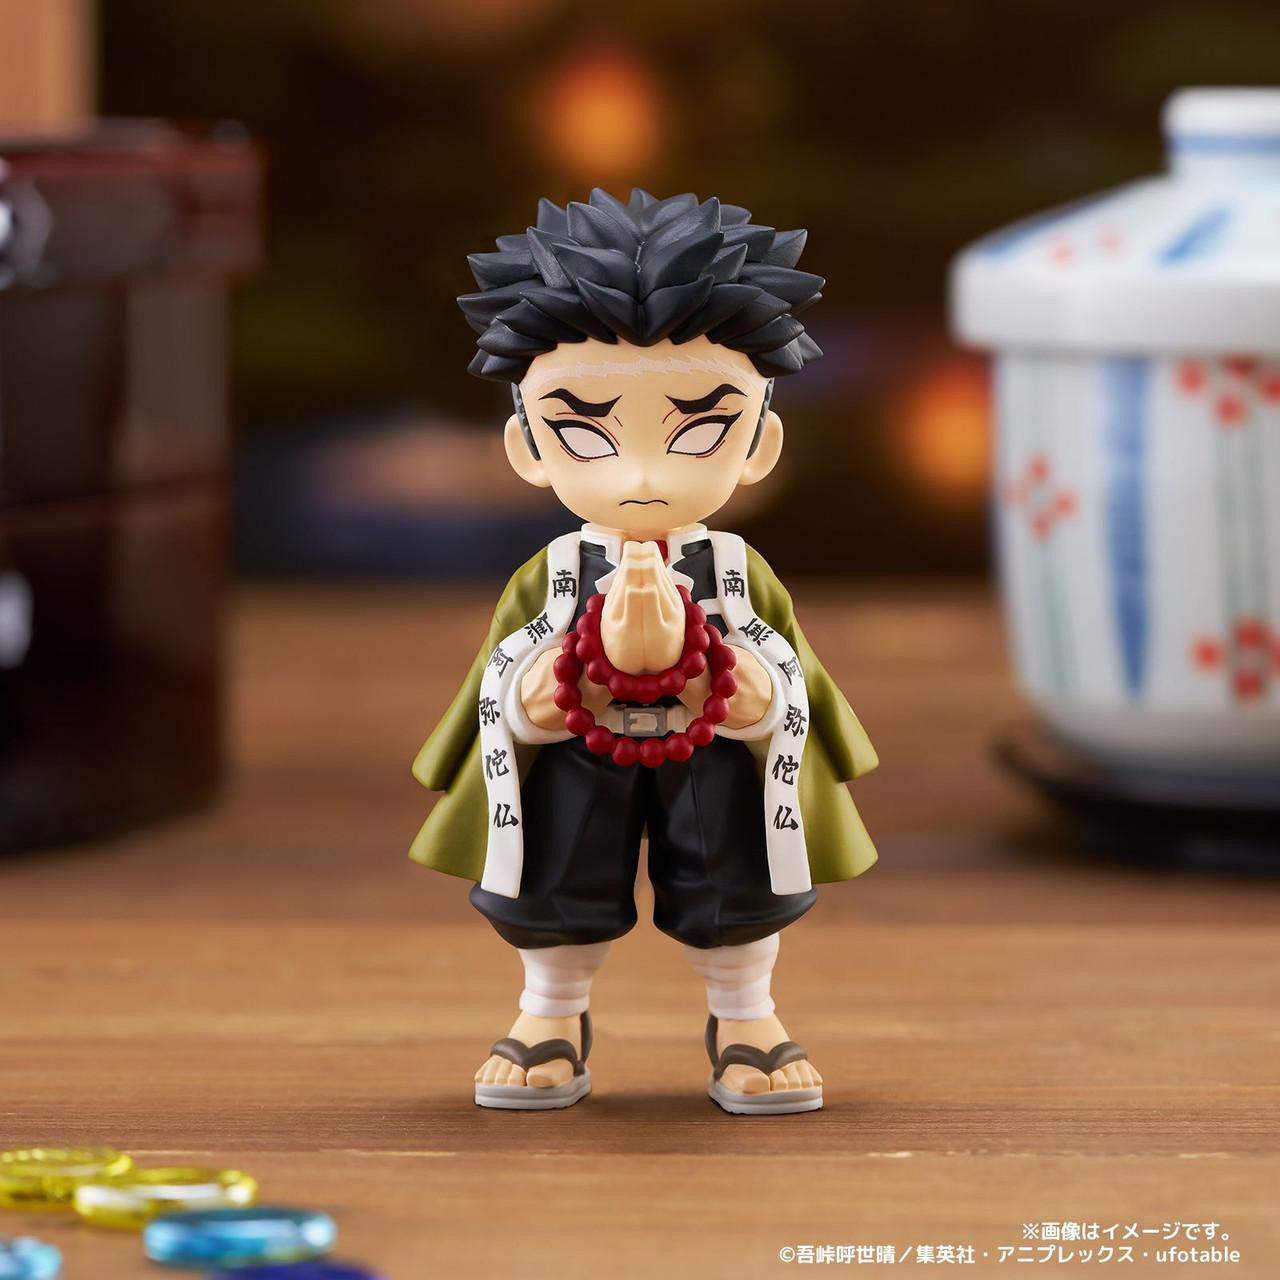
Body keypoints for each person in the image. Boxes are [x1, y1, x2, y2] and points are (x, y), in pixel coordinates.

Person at [411, 188, 878, 1114]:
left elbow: (796, 678)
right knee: (553, 865)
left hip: (711, 748)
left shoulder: (738, 574)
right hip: (580, 748)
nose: (640, 474)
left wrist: (756, 702)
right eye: (583, 432)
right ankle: (550, 1013)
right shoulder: (549, 578)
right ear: (526, 447)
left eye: (698, 430)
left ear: (760, 445)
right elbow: (495, 682)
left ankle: (746, 1017)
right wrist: (532, 704)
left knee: (736, 871)